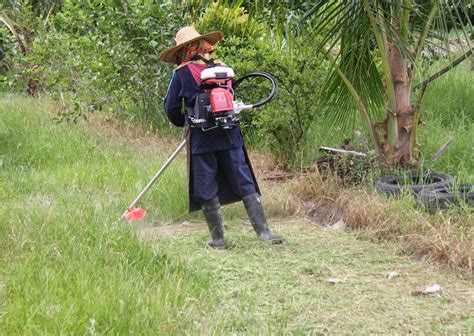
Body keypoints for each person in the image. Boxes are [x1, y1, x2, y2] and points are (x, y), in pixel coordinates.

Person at [160, 26, 282, 249]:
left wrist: (184, 122)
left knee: (205, 185)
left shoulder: (181, 73)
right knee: (243, 179)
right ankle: (264, 233)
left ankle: (218, 240)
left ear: (184, 50)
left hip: (202, 138)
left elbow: (171, 107)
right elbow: (231, 97)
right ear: (203, 46)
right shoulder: (223, 68)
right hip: (230, 134)